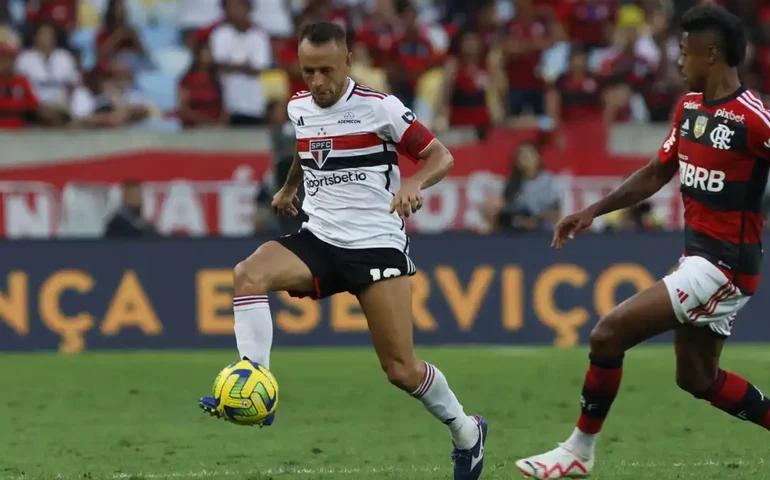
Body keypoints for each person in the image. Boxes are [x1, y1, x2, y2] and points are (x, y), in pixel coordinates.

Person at [198, 21, 487, 479]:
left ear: (348, 61)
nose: (317, 82)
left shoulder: (381, 108)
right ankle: (257, 383)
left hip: (375, 245)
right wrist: (290, 187)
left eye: (326, 71)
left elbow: (441, 156)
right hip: (320, 238)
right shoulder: (299, 107)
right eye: (308, 71)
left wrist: (413, 182)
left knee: (401, 370)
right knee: (247, 274)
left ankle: (466, 432)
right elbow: (306, 146)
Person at [515, 6, 770, 478]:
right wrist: (593, 211)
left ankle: (577, 452)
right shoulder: (689, 107)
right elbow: (657, 171)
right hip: (699, 258)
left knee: (607, 334)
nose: (676, 60)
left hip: (725, 266)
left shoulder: (754, 119)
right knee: (696, 379)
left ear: (709, 54)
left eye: (682, 51)